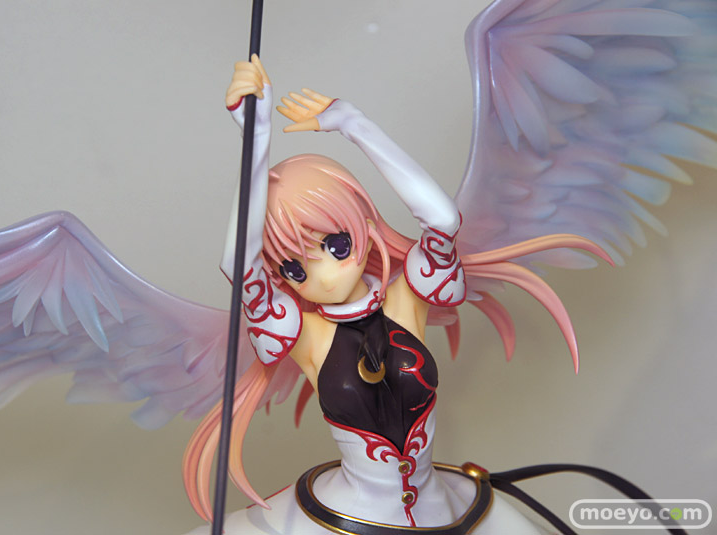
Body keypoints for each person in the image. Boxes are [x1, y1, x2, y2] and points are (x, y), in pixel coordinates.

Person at [182, 55, 582, 535]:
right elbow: (239, 267)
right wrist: (257, 139)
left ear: (365, 228)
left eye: (335, 245)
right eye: (294, 268)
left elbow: (442, 220)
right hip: (347, 518)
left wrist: (354, 124)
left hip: (443, 507)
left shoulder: (406, 300)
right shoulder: (304, 334)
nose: (322, 275)